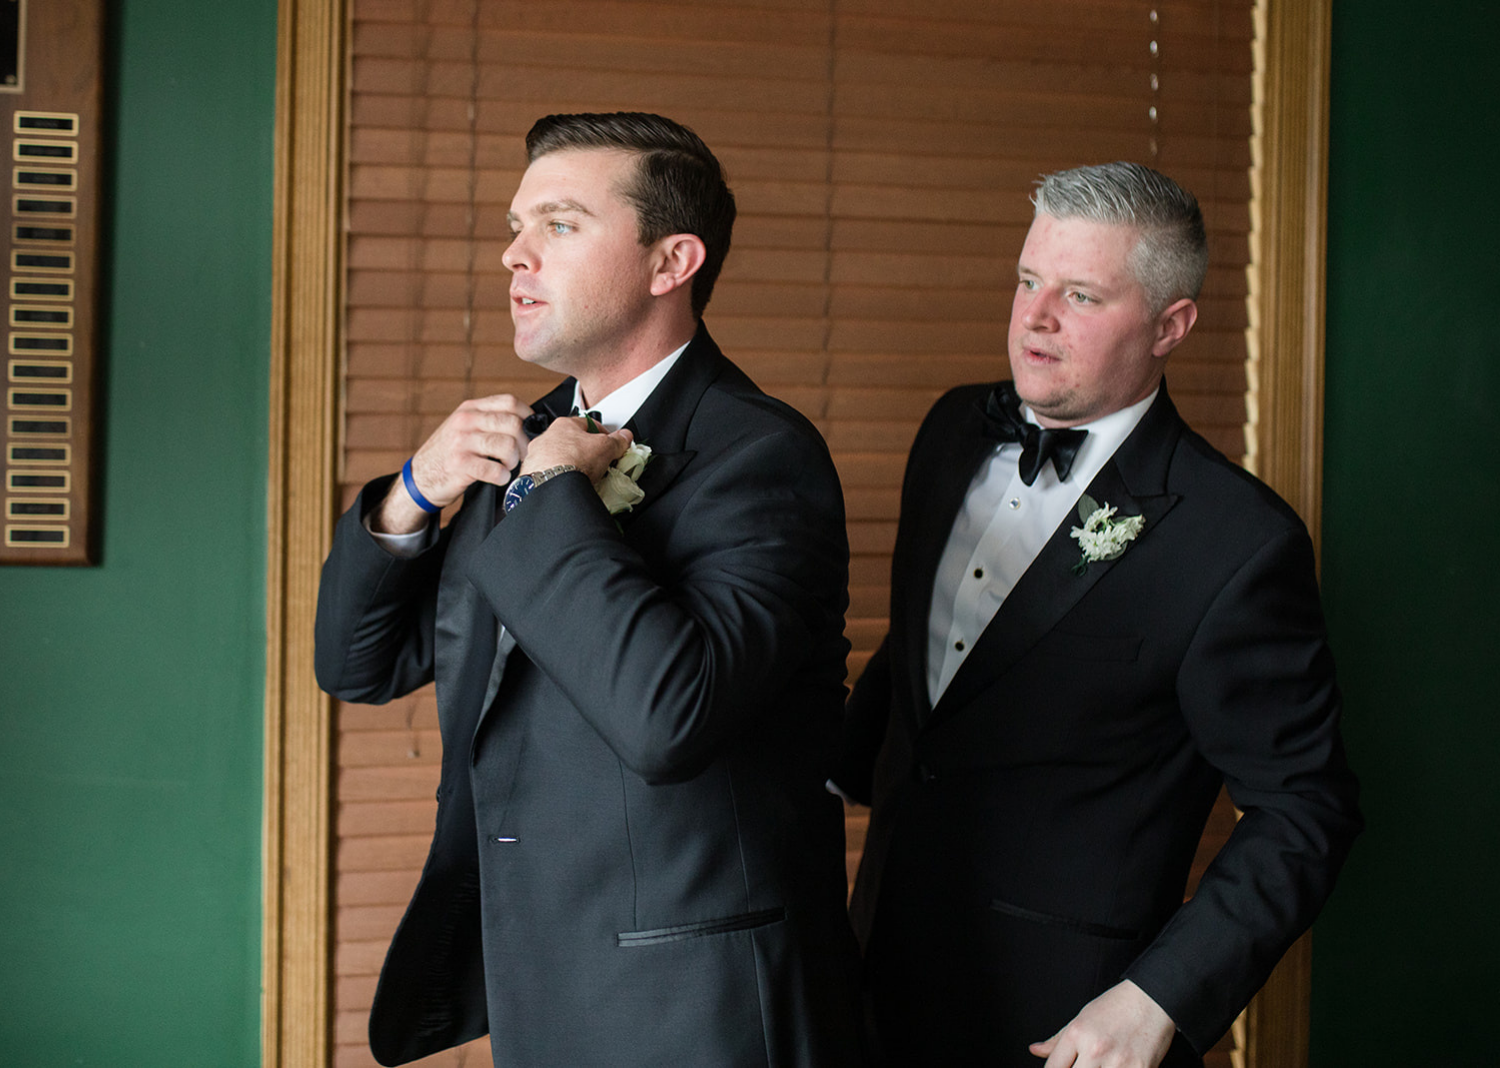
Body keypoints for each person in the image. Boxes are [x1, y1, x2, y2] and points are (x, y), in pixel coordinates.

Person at [316, 112, 863, 1067]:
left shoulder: (764, 457)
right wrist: (414, 492)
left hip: (699, 1010)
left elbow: (666, 716)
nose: (513, 255)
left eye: (559, 226)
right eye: (517, 226)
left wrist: (551, 492)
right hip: (534, 988)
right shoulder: (525, 443)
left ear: (671, 262)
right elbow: (357, 664)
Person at [832, 162, 1362, 1068]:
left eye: (1079, 294)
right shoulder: (953, 428)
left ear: (1171, 325)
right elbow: (934, 671)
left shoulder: (1239, 543)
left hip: (1066, 1028)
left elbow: (1306, 809)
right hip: (868, 981)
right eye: (1028, 280)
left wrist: (1159, 999)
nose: (1035, 317)